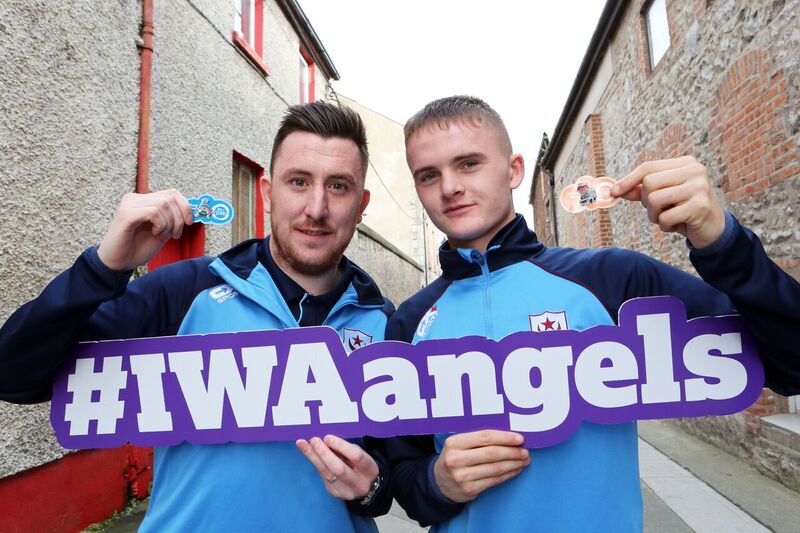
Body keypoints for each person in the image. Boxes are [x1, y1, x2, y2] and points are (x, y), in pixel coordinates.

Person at [385, 95, 800, 532]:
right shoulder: (409, 322)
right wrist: (437, 483)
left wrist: (721, 242)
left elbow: (790, 366)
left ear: (513, 170)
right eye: (429, 175)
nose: (449, 187)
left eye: (468, 163)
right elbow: (404, 480)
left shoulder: (613, 279)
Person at [0, 101, 392, 531]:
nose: (316, 208)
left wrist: (374, 490)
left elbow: (399, 472)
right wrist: (102, 269)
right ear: (267, 192)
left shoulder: (387, 325)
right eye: (298, 181)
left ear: (361, 204)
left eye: (338, 187)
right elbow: (13, 375)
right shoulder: (186, 291)